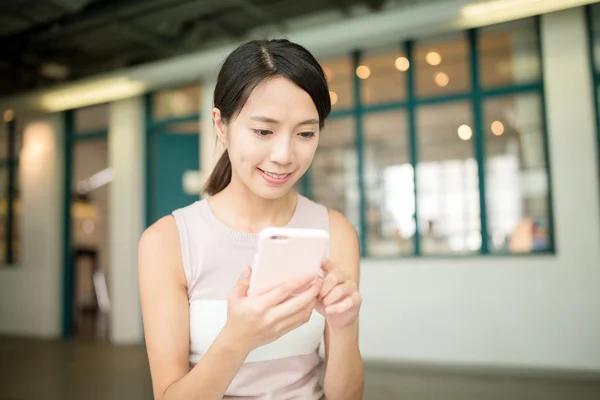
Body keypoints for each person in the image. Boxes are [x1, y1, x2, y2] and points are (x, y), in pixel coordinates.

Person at [138, 38, 364, 400]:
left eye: (305, 133)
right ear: (221, 125)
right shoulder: (167, 242)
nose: (284, 155)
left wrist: (345, 328)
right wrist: (238, 339)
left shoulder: (335, 232)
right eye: (263, 131)